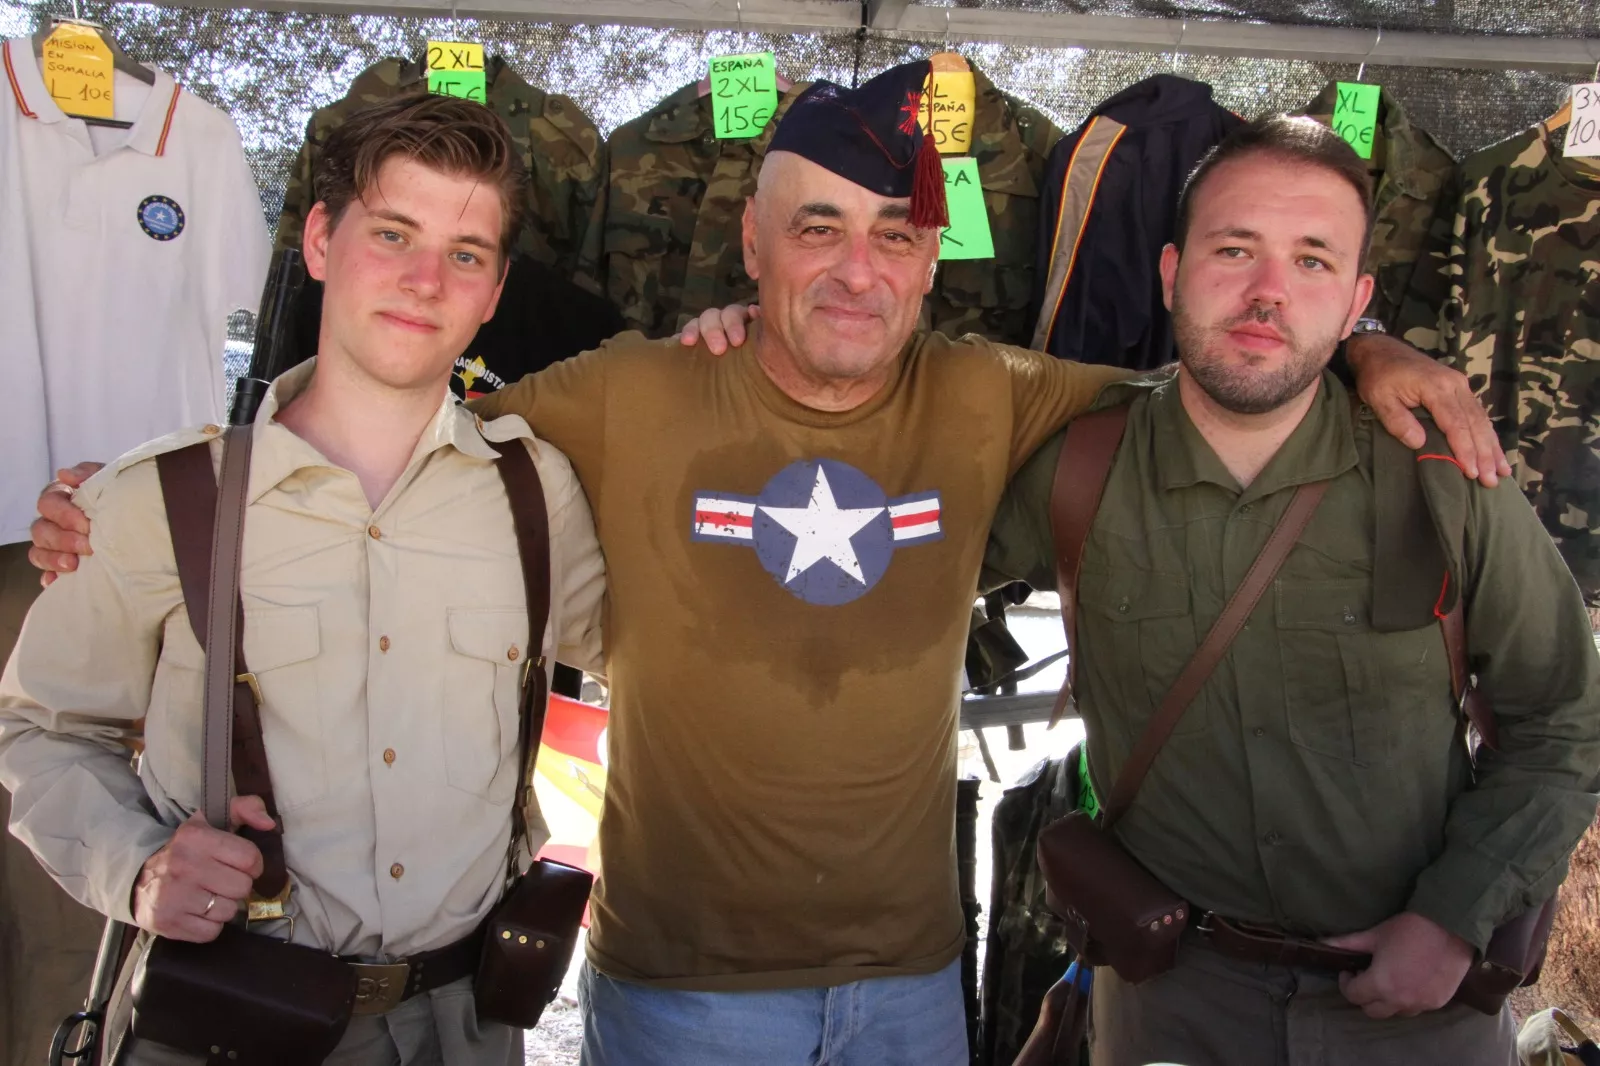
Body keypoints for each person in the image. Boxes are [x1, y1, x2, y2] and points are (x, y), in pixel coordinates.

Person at [27, 66, 1504, 1066]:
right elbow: (390, 421)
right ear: (750, 242)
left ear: (934, 258)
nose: (857, 270)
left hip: (919, 984)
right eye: (818, 229)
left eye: (892, 234)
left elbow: (1230, 368)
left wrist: (1370, 342)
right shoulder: (618, 393)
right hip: (675, 989)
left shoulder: (1002, 392)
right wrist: (154, 495)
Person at [0, 93, 604, 1064]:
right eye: (393, 232)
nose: (423, 279)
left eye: (465, 253)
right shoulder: (160, 499)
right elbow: (39, 726)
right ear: (320, 239)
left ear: (495, 291)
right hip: (228, 1019)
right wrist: (139, 863)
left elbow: (660, 645)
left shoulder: (539, 497)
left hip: (465, 1024)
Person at [983, 116, 1600, 1065]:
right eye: (1235, 250)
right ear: (1169, 271)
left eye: (1312, 262)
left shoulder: (1442, 476)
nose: (1269, 292)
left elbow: (1561, 716)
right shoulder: (1074, 469)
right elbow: (881, 575)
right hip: (1171, 1002)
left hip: (1419, 1011)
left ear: (1357, 300)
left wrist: (1452, 918)